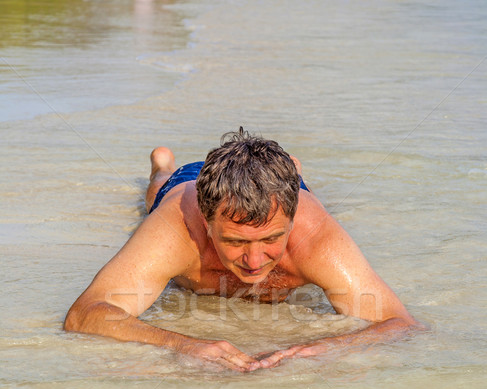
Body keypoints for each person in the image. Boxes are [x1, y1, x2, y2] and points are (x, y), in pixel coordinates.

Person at [64, 128, 421, 371]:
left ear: (292, 220)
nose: (254, 261)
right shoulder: (177, 228)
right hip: (189, 183)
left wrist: (327, 348)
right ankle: (162, 167)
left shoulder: (315, 237)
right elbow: (84, 315)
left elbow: (400, 323)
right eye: (235, 242)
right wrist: (183, 345)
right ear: (206, 223)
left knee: (292, 185)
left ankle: (292, 171)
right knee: (156, 195)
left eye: (271, 240)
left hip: (285, 188)